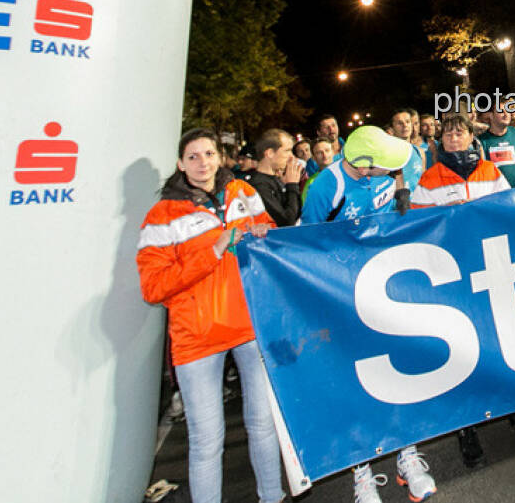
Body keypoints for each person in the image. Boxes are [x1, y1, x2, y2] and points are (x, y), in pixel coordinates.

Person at [136, 128, 284, 503]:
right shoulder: (161, 215)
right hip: (198, 337)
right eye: (193, 157)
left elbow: (269, 238)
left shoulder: (243, 193)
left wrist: (265, 233)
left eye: (208, 154)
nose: (202, 163)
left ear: (220, 156)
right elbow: (153, 287)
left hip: (250, 325)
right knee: (206, 441)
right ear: (179, 165)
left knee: (264, 426)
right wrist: (215, 249)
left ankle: (272, 496)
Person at [300, 126, 439, 502]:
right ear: (363, 167)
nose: (394, 170)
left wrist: (403, 201)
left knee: (400, 368)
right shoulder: (325, 187)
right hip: (342, 292)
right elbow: (305, 241)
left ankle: (406, 455)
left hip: (386, 284)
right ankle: (362, 470)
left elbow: (412, 163)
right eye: (385, 167)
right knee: (357, 377)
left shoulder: (391, 170)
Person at [411, 114, 515, 467]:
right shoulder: (428, 179)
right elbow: (416, 226)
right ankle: (466, 426)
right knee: (464, 348)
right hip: (453, 276)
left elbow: (507, 212)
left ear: (472, 138)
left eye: (460, 132)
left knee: (502, 340)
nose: (453, 137)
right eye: (448, 133)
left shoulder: (490, 171)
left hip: (491, 269)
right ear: (440, 141)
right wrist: (444, 217)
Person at [247, 128, 304, 226]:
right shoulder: (259, 185)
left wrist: (290, 187)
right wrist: (292, 185)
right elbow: (286, 222)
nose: (292, 156)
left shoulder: (277, 179)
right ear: (270, 153)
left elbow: (298, 214)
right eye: (287, 151)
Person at [477, 98, 515, 188]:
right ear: (491, 116)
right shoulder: (482, 141)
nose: (506, 115)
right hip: (499, 195)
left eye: (508, 111)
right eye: (501, 112)